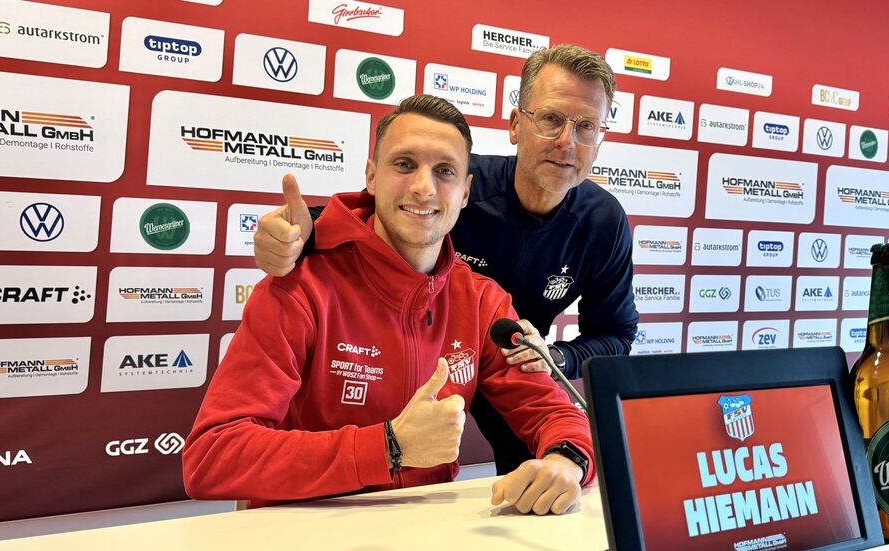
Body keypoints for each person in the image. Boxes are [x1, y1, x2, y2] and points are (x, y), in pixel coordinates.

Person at [183, 95, 593, 516]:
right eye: (404, 164)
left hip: (423, 532)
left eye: (445, 171)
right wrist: (388, 447)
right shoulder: (301, 286)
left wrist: (567, 461)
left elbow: (555, 414)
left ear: (465, 192)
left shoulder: (482, 301)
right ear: (372, 177)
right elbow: (212, 456)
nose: (424, 187)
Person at [253, 44, 637, 475]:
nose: (566, 142)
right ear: (516, 125)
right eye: (550, 119)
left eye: (586, 126)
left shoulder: (603, 222)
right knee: (381, 460)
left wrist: (552, 357)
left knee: (544, 475)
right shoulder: (448, 179)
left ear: (600, 139)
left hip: (511, 360)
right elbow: (373, 213)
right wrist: (297, 233)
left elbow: (616, 333)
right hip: (424, 353)